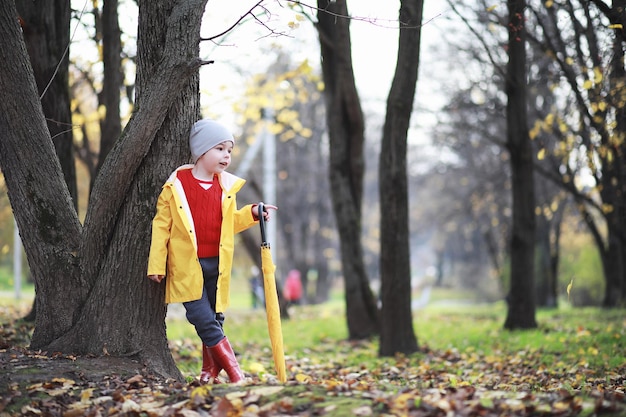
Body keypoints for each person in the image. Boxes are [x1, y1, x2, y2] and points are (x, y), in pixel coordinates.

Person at [147, 119, 277, 384]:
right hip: (187, 266)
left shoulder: (225, 187)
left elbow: (228, 224)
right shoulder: (177, 185)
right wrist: (157, 265)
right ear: (201, 151)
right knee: (200, 316)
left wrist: (252, 213)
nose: (226, 155)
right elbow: (161, 226)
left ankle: (209, 371)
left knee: (216, 318)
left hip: (218, 264)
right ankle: (234, 371)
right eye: (219, 149)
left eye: (229, 150)